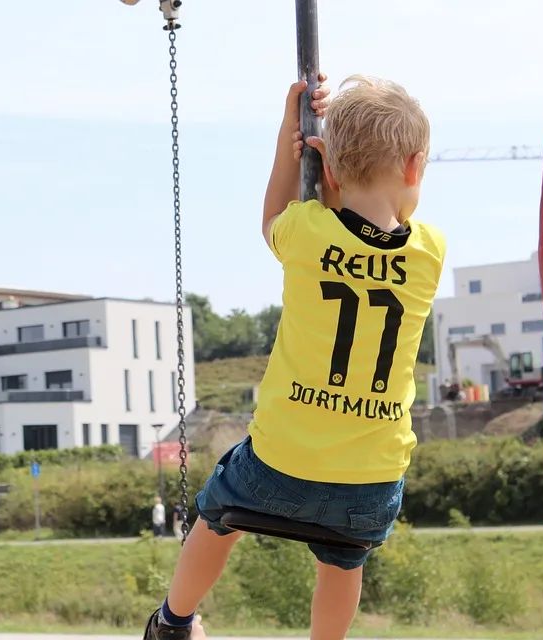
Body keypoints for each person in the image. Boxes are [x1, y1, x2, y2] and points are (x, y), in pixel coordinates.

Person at [142, 73, 444, 640]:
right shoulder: (430, 252)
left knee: (215, 517)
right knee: (343, 558)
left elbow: (280, 217)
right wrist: (338, 174)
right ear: (414, 167)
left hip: (279, 464)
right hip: (371, 480)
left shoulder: (306, 232)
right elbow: (367, 228)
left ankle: (174, 622)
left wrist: (294, 131)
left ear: (327, 172)